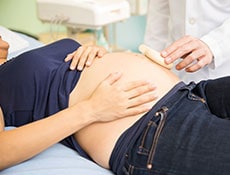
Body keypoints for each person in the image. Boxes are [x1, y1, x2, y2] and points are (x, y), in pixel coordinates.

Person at [1, 38, 230, 175]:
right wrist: (91, 110)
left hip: (191, 92)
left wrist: (94, 50)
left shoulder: (21, 58)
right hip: (148, 129)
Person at [0, 38, 157, 170]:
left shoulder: (20, 59)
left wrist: (96, 53)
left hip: (174, 96)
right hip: (143, 129)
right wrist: (92, 110)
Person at [144, 0, 230, 83]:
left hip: (222, 72)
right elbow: (158, 17)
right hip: (175, 75)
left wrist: (213, 44)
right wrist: (151, 67)